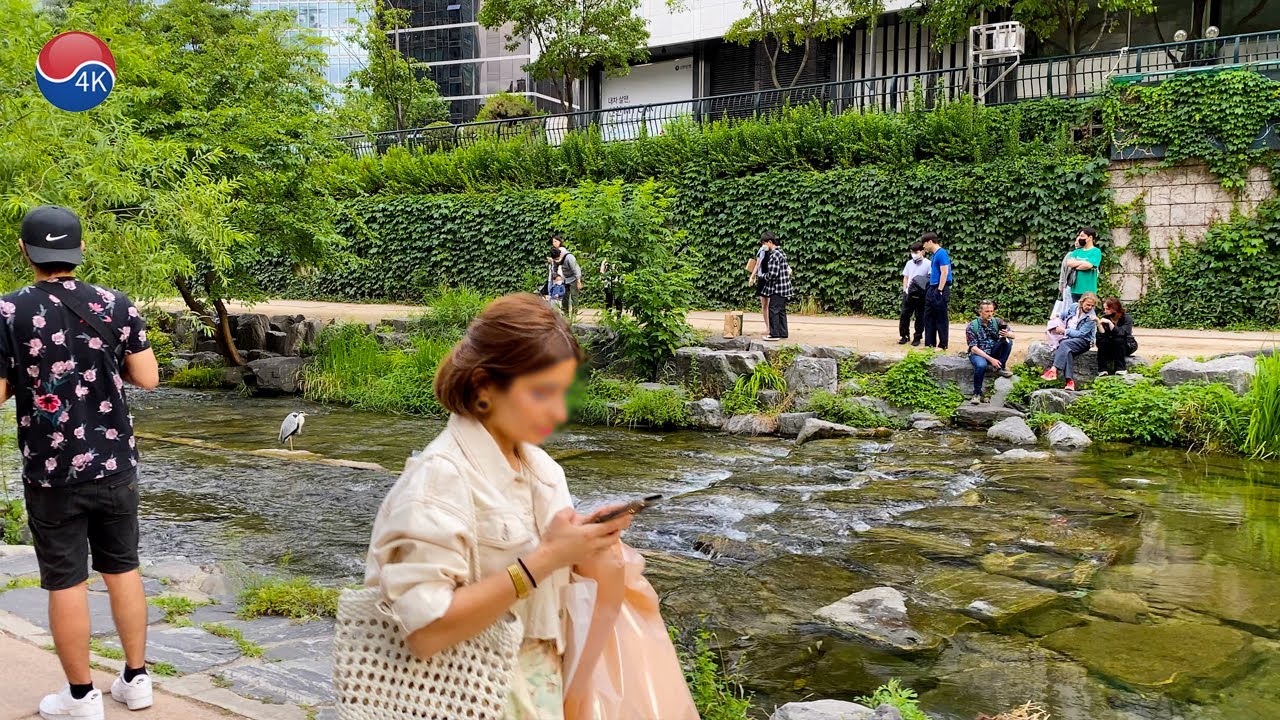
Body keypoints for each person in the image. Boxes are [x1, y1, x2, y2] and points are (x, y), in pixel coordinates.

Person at [363, 293, 638, 718]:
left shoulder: (542, 469)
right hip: (457, 701)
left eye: (564, 392)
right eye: (542, 393)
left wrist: (582, 546)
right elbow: (425, 633)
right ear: (484, 386)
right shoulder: (439, 479)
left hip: (535, 700)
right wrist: (546, 559)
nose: (559, 411)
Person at [0, 206, 160, 718]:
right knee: (123, 568)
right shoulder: (115, 304)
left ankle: (80, 697)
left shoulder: (8, 312)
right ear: (79, 250)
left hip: (52, 472)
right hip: (116, 465)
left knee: (66, 580)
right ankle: (136, 680)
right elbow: (149, 377)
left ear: (25, 251)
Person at [1041, 292, 1099, 391]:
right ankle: (1070, 382)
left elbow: (1081, 334)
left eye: (1092, 306)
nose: (1090, 307)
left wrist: (1065, 331)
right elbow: (1066, 313)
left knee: (1064, 344)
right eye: (1088, 305)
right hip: (1069, 339)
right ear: (1082, 302)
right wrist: (1057, 315)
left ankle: (1054, 369)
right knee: (1067, 351)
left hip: (1084, 341)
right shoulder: (1074, 307)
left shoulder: (1091, 318)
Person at [965, 300, 1015, 403]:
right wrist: (991, 359)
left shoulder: (998, 322)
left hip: (993, 349)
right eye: (987, 311)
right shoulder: (972, 326)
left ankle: (1000, 367)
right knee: (981, 365)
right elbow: (973, 347)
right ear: (980, 312)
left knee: (1008, 342)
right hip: (979, 353)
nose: (990, 314)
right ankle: (977, 393)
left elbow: (1013, 335)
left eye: (991, 311)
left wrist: (1007, 334)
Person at [921, 232, 953, 350]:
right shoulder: (934, 255)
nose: (924, 247)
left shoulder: (942, 253)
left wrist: (939, 290)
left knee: (941, 317)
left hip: (940, 288)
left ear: (930, 242)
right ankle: (929, 344)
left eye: (924, 244)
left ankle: (942, 344)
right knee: (928, 316)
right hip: (932, 287)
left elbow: (944, 272)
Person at [760, 232, 793, 341]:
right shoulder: (781, 252)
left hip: (777, 288)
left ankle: (774, 334)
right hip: (785, 287)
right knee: (781, 310)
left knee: (773, 310)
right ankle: (783, 333)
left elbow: (773, 274)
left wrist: (762, 275)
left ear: (770, 242)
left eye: (764, 243)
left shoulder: (774, 255)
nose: (763, 246)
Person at [899, 241, 930, 346]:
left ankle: (917, 337)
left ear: (922, 251)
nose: (914, 254)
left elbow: (929, 279)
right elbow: (906, 276)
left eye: (916, 252)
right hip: (908, 293)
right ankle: (904, 336)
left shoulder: (928, 264)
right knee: (904, 315)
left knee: (920, 316)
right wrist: (905, 289)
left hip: (921, 295)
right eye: (912, 252)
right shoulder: (909, 263)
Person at [1096, 296, 1136, 376]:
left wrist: (1110, 324)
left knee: (1118, 339)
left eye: (1107, 309)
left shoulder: (1126, 318)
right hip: (1110, 345)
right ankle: (1102, 369)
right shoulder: (1105, 317)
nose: (1105, 311)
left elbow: (1123, 333)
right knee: (1103, 341)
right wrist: (1099, 324)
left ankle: (1120, 368)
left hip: (1125, 345)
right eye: (1104, 309)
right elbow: (1102, 336)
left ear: (1115, 308)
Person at [1064, 227, 1102, 302]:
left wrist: (1076, 265)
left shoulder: (1096, 251)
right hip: (1075, 289)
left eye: (1082, 236)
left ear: (1090, 237)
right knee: (1075, 311)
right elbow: (1069, 263)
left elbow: (1089, 265)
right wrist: (1084, 262)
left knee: (1088, 311)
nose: (1079, 238)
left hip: (1089, 291)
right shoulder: (1076, 252)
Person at [751, 234, 772, 338]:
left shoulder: (774, 251)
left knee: (771, 304)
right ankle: (767, 327)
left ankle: (773, 327)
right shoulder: (761, 251)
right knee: (764, 305)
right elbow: (757, 264)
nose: (764, 245)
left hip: (771, 279)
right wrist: (752, 276)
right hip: (761, 279)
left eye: (765, 243)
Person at [550, 246, 582, 316]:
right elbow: (555, 268)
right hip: (565, 278)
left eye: (558, 258)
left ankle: (574, 315)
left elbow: (575, 269)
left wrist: (578, 281)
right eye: (555, 259)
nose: (557, 260)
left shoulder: (569, 258)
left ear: (560, 254)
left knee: (574, 296)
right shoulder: (555, 259)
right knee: (564, 296)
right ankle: (565, 314)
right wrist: (555, 275)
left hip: (574, 278)